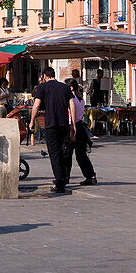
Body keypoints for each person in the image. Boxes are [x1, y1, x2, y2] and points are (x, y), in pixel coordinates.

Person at [28, 66, 76, 194]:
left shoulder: (42, 87)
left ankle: (60, 182)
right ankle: (64, 177)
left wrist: (32, 121)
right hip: (64, 124)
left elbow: (36, 105)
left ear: (44, 76)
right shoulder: (65, 87)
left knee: (54, 153)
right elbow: (72, 105)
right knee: (64, 151)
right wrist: (73, 125)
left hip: (51, 124)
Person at [65, 78, 96, 186]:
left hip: (72, 126)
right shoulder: (81, 99)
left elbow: (71, 114)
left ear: (71, 88)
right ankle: (90, 175)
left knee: (67, 153)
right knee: (81, 155)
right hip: (80, 126)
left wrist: (72, 128)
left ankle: (65, 177)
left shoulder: (71, 99)